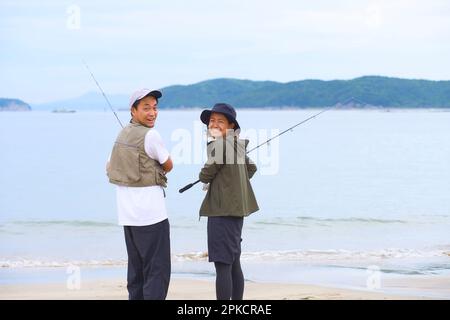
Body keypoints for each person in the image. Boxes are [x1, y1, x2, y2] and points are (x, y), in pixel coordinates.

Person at [106, 88, 173, 300]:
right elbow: (168, 164)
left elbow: (109, 166)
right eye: (146, 108)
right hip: (151, 216)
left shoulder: (121, 134)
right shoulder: (151, 135)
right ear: (133, 110)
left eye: (155, 108)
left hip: (127, 216)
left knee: (136, 272)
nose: (152, 113)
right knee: (157, 271)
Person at [198, 103, 259, 300]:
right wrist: (231, 181)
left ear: (231, 126)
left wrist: (208, 180)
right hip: (236, 213)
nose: (214, 124)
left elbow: (206, 173)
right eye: (211, 121)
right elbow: (251, 168)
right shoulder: (235, 145)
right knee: (233, 262)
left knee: (223, 267)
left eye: (220, 121)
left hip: (222, 212)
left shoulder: (222, 144)